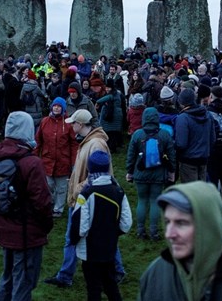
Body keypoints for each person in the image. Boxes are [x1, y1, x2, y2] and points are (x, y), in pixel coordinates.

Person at [44, 109, 124, 288]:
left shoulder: (96, 144)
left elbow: (99, 174)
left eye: (73, 123)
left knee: (83, 236)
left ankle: (115, 270)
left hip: (88, 198)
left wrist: (78, 188)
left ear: (80, 124)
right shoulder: (89, 142)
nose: (71, 125)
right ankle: (66, 275)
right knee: (90, 236)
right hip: (85, 197)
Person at [0, 112, 53, 301]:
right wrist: (46, 226)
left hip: (4, 227)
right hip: (27, 232)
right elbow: (42, 202)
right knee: (24, 282)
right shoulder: (31, 163)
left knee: (8, 276)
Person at [70, 150, 132, 301]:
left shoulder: (86, 193)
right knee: (111, 284)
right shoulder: (118, 190)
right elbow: (126, 223)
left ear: (90, 169)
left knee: (93, 288)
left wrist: (73, 240)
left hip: (90, 249)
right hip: (110, 247)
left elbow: (81, 226)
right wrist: (112, 233)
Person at [126, 107, 175, 240]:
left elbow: (131, 156)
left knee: (141, 201)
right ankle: (154, 232)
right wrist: (172, 171)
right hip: (159, 174)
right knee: (154, 201)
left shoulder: (137, 134)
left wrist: (129, 171)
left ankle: (140, 231)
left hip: (140, 173)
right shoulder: (165, 134)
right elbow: (172, 155)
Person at [34, 97, 78, 218]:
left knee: (62, 187)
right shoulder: (45, 122)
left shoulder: (68, 124)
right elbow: (38, 141)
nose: (56, 108)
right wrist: (34, 156)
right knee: (48, 185)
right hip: (47, 160)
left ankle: (58, 208)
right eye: (55, 106)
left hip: (63, 161)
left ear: (63, 108)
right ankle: (50, 202)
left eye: (59, 106)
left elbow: (74, 144)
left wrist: (74, 161)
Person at [174, 88, 216, 183]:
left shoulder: (183, 118)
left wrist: (173, 145)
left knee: (190, 192)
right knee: (201, 191)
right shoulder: (208, 115)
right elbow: (213, 139)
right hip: (204, 158)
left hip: (188, 159)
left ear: (182, 102)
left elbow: (181, 143)